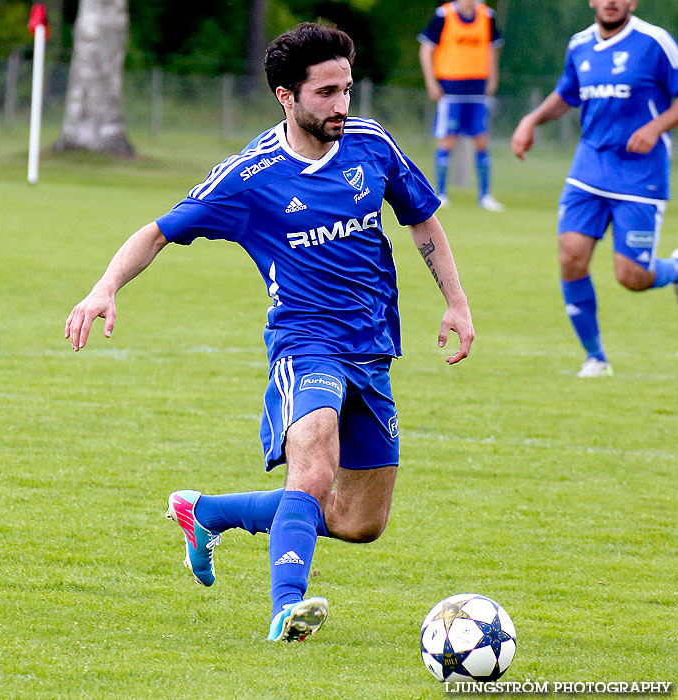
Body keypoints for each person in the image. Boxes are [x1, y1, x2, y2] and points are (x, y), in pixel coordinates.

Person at [65, 22, 474, 642]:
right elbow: (157, 231)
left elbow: (422, 221)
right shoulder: (249, 178)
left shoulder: (372, 145)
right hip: (303, 345)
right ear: (287, 96)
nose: (342, 105)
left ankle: (205, 512)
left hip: (371, 351)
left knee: (358, 522)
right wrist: (104, 288)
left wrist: (456, 304)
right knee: (311, 472)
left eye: (347, 89)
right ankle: (287, 608)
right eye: (326, 93)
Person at [511, 0, 678, 377]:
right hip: (589, 169)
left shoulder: (655, 42)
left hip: (640, 175)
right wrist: (532, 119)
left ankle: (675, 268)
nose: (611, 2)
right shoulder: (579, 44)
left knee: (632, 276)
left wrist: (654, 129)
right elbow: (567, 94)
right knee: (570, 256)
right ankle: (595, 357)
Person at [418, 0, 505, 211]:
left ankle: (484, 195)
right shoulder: (444, 15)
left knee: (482, 141)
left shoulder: (486, 16)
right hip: (451, 89)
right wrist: (431, 82)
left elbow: (492, 50)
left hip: (477, 89)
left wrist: (493, 78)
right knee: (447, 141)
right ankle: (441, 194)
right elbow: (426, 49)